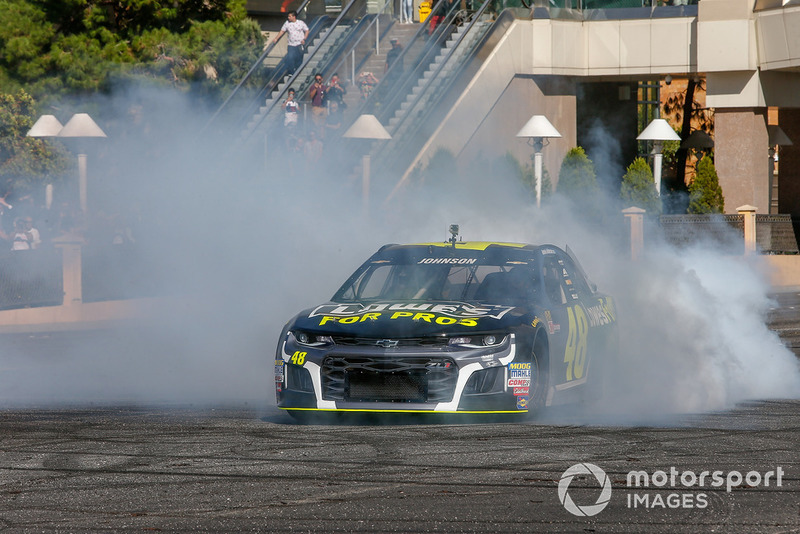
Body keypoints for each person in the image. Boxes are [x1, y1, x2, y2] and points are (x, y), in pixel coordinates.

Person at [272, 11, 309, 75]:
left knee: (299, 58)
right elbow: (282, 31)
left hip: (299, 44)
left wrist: (304, 38)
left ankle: (298, 70)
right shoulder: (287, 23)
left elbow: (307, 30)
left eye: (289, 16)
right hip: (291, 44)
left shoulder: (300, 23)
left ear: (294, 17)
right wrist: (276, 38)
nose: (288, 17)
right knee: (290, 57)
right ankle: (291, 72)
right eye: (288, 16)